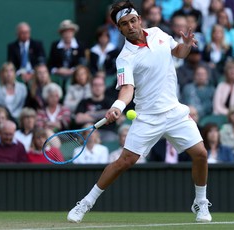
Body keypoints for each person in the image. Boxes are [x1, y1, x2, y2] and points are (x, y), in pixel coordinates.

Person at [67, 0, 212, 223]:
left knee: (201, 154)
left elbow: (179, 53)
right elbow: (127, 88)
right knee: (124, 161)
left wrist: (185, 44)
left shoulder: (158, 33)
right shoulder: (125, 57)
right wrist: (117, 106)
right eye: (124, 24)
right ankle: (85, 203)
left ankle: (201, 203)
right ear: (120, 28)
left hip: (174, 111)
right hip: (147, 117)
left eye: (133, 21)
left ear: (139, 20)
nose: (131, 26)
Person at [74, 76, 117, 142]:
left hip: (106, 133)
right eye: (95, 85)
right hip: (87, 134)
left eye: (100, 85)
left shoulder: (111, 102)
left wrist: (90, 115)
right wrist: (104, 117)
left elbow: (118, 116)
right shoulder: (84, 102)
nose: (97, 88)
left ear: (104, 87)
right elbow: (78, 119)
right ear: (91, 87)